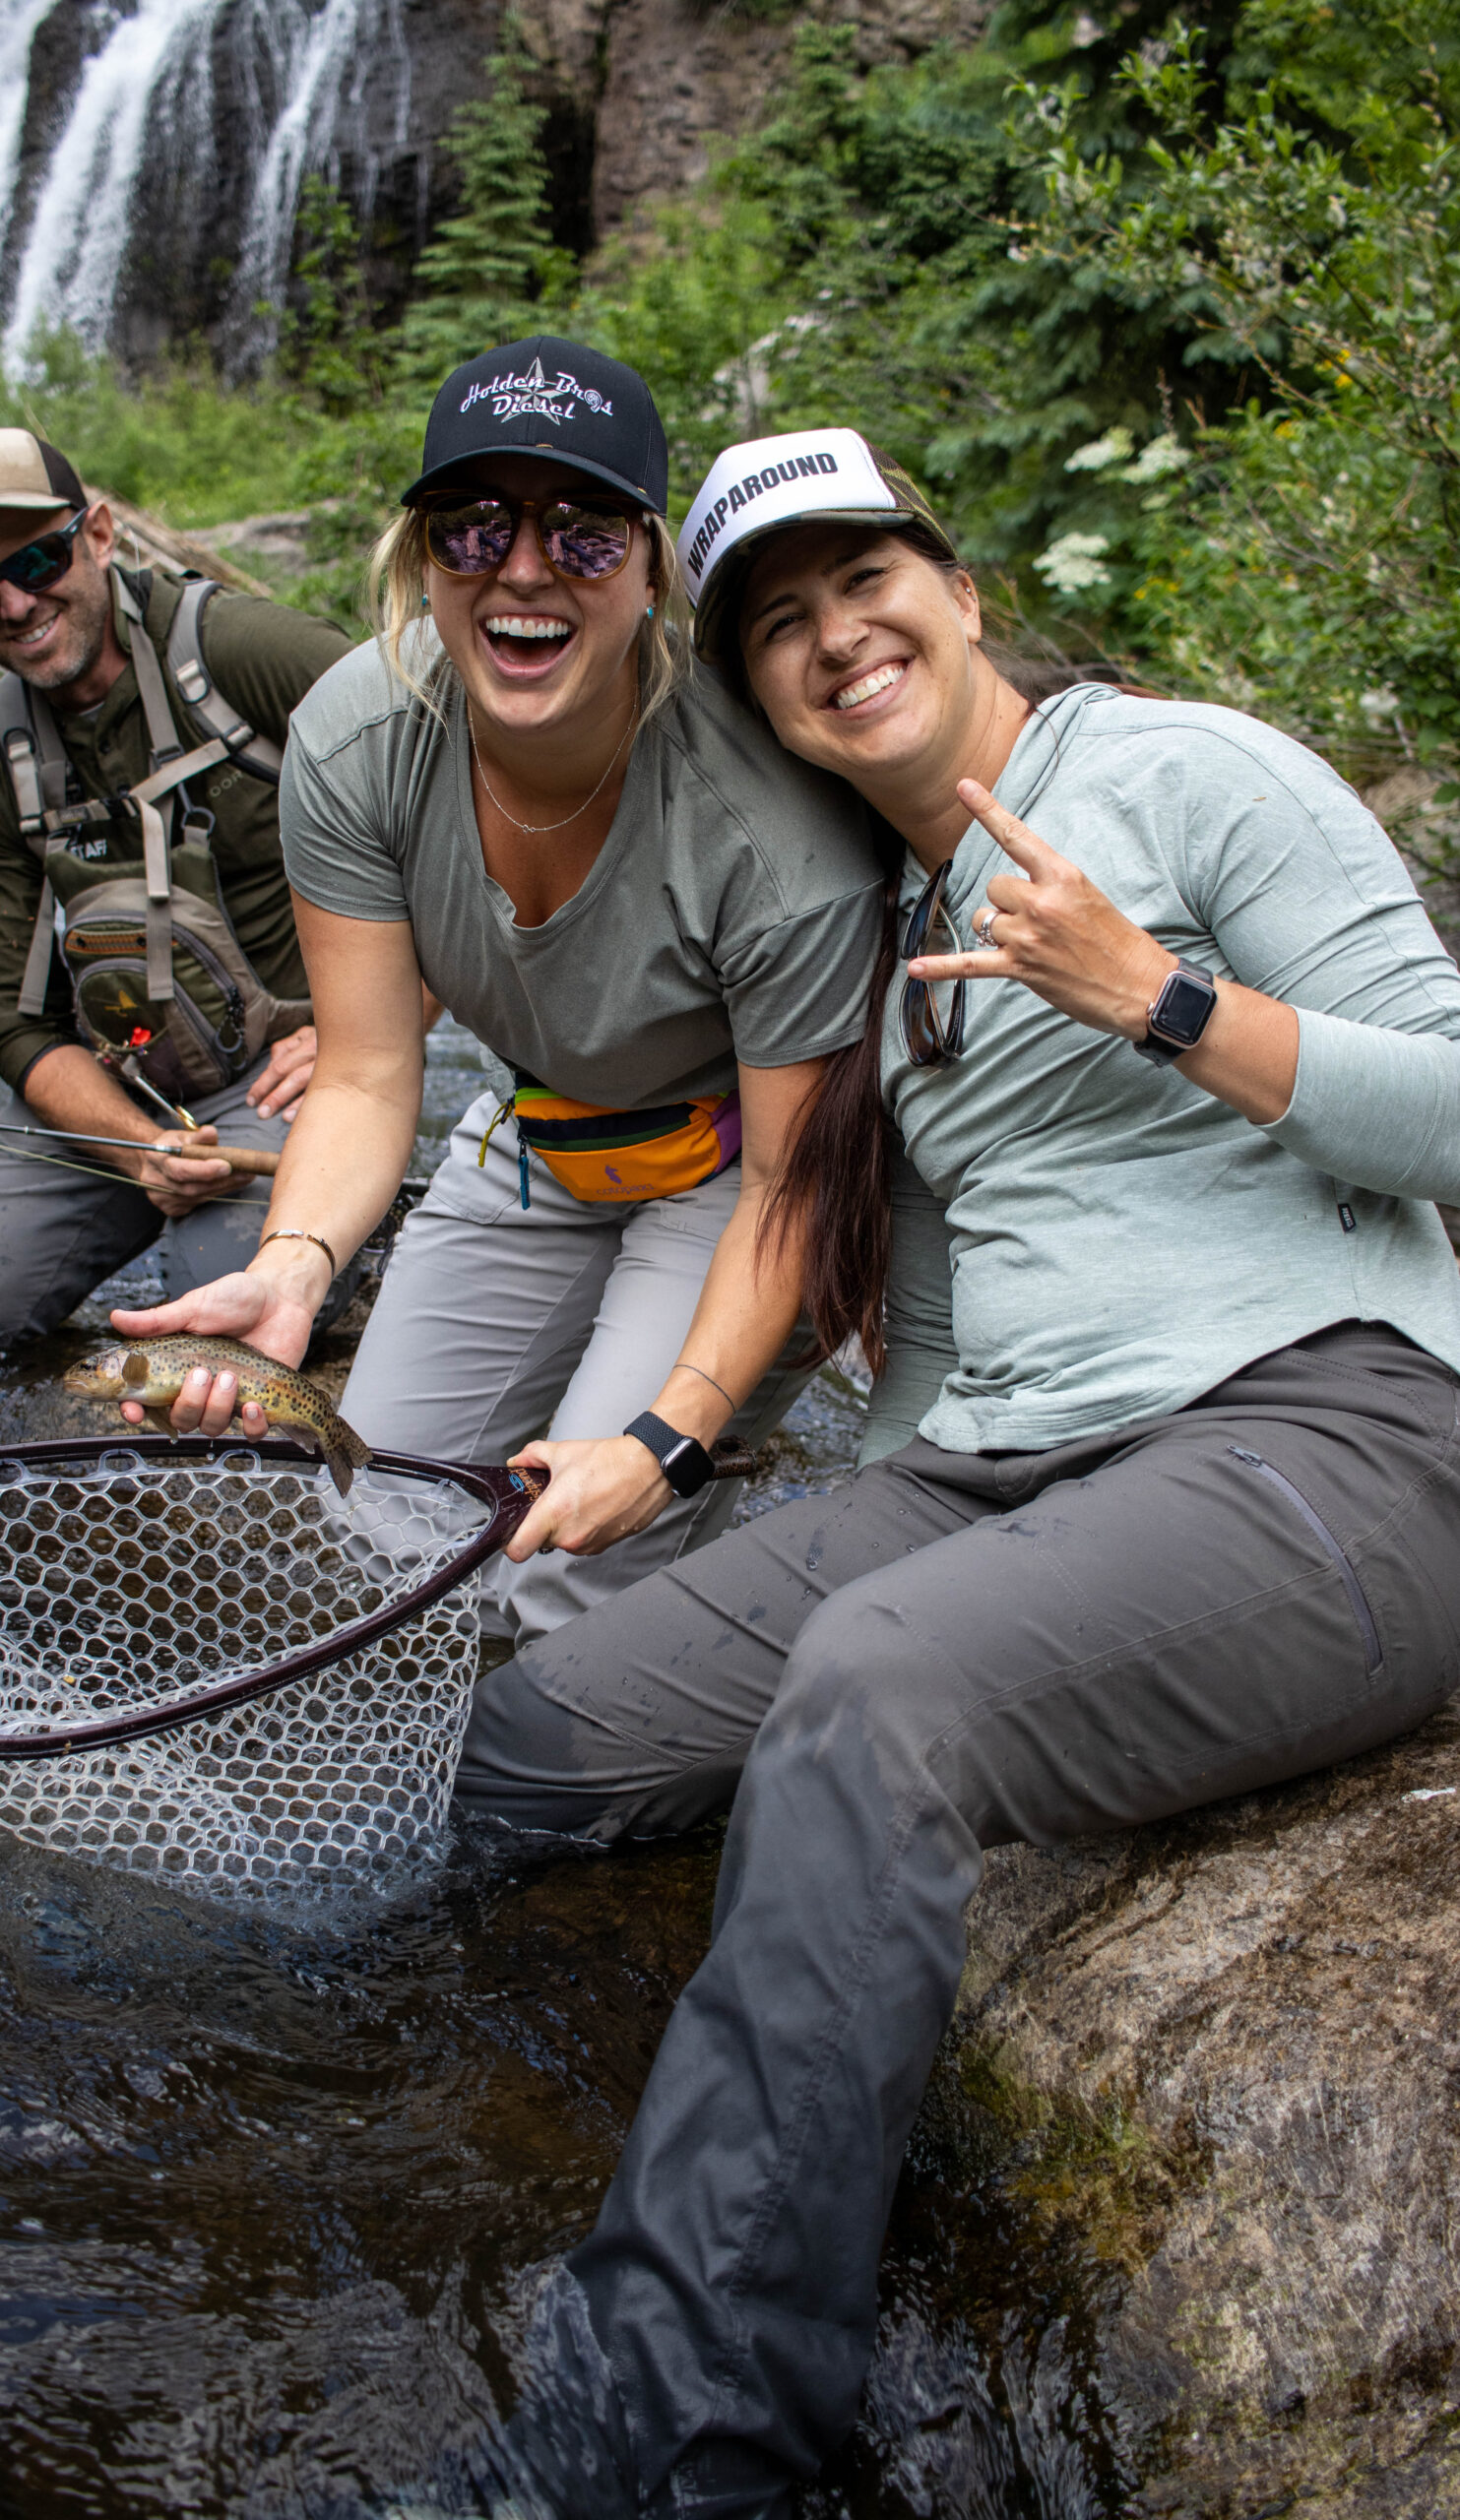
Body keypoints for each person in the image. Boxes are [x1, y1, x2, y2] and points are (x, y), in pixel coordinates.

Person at [441, 428, 1460, 2516]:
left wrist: (1165, 1000)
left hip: (1337, 1429)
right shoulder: (866, 918)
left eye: (860, 582)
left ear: (957, 585)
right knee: (534, 1736)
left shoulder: (1189, 773)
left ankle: (672, 2447)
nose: (833, 638)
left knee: (884, 1689)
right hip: (1016, 1469)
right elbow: (930, 1329)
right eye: (775, 622)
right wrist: (709, 1486)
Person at [116, 342, 886, 1646]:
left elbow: (793, 1189)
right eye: (473, 525)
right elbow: (364, 1073)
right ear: (424, 557)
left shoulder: (766, 835)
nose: (520, 569)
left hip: (738, 1167)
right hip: (544, 1131)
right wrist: (292, 1273)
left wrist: (666, 1440)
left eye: (582, 534)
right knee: (380, 1535)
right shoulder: (355, 739)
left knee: (564, 1577)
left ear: (651, 571)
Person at [0, 425, 355, 1354]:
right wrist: (133, 1147)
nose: (14, 603)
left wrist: (368, 1037)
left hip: (285, 1082)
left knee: (222, 1340)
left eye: (35, 558)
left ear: (98, 533)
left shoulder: (249, 655)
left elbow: (453, 813)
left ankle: (349, 1225)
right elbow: (12, 1020)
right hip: (122, 1090)